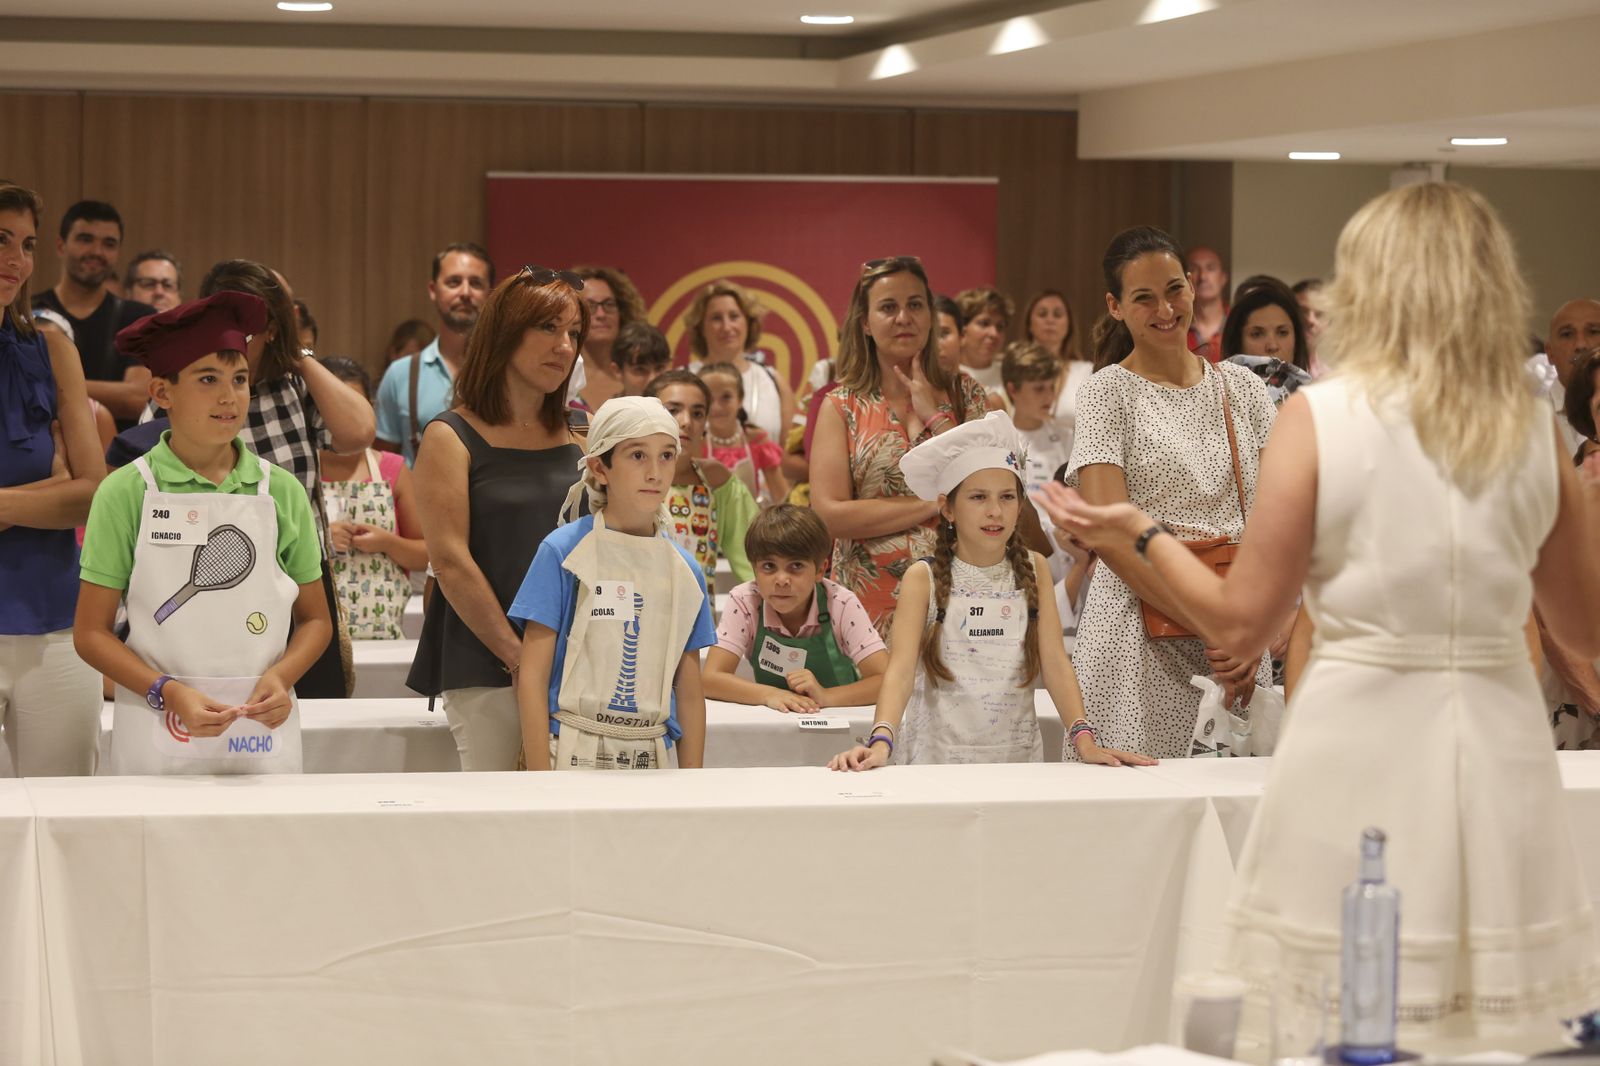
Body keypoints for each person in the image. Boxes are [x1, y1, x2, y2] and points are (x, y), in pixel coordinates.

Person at [1039, 182, 1600, 1049]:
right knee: (1486, 1014)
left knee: (1338, 1000)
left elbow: (1237, 620)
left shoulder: (1319, 416)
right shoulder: (1533, 433)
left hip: (1357, 727)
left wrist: (1136, 532)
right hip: (1495, 735)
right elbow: (1587, 638)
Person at [74, 292, 331, 775]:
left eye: (239, 380)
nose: (228, 396)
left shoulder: (281, 491)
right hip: (155, 730)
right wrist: (165, 691)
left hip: (262, 732)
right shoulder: (125, 492)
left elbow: (317, 620)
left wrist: (282, 677)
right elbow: (90, 634)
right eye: (208, 379)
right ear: (162, 392)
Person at [1060, 226, 1278, 760]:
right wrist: (1215, 623)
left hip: (1237, 641)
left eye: (1175, 289)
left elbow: (1280, 523)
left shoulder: (1244, 388)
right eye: (1143, 297)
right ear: (1115, 307)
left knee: (1237, 815)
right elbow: (1112, 537)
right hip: (1136, 637)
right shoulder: (1107, 392)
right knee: (1135, 817)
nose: (1165, 308)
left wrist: (1252, 630)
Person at [829, 412, 1152, 770]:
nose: (995, 511)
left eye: (1007, 497)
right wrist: (880, 741)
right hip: (937, 760)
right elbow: (900, 671)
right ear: (947, 508)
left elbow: (1055, 662)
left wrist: (1084, 740)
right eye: (978, 497)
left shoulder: (1034, 568)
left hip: (1014, 759)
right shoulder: (924, 578)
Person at [407, 266, 587, 771]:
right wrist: (519, 658)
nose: (565, 346)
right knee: (503, 823)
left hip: (582, 660)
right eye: (548, 329)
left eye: (573, 333)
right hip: (488, 661)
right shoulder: (451, 435)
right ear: (505, 333)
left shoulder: (583, 431)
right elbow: (450, 560)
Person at [198, 260, 375, 700]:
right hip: (211, 582)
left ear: (273, 329)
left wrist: (298, 354)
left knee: (316, 714)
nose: (234, 339)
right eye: (222, 323)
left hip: (302, 582)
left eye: (249, 327)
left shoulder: (293, 386)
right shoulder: (187, 387)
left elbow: (358, 433)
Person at [508, 396, 713, 771]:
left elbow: (689, 693)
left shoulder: (684, 570)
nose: (655, 472)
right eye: (638, 456)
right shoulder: (563, 552)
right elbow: (532, 677)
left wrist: (692, 784)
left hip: (650, 755)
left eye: (667, 455)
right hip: (567, 747)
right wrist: (537, 779)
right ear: (600, 467)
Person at [811, 257, 990, 637]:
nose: (903, 317)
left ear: (930, 314)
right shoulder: (841, 406)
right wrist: (932, 506)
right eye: (888, 307)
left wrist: (936, 415)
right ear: (865, 322)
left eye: (915, 304)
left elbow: (989, 494)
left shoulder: (967, 395)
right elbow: (828, 515)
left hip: (962, 600)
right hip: (866, 608)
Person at [0, 182, 106, 777]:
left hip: (59, 620)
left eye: (27, 243)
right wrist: (45, 496)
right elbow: (68, 491)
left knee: (69, 815)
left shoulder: (52, 347)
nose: (16, 260)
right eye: (0, 239)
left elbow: (92, 492)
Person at [703, 504, 889, 712]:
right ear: (754, 569)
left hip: (840, 723)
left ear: (820, 570)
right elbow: (710, 679)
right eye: (769, 566)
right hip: (775, 726)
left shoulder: (841, 604)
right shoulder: (745, 601)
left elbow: (887, 680)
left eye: (796, 566)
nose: (781, 580)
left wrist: (826, 696)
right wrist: (769, 694)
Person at [318, 357, 426, 641]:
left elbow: (426, 553)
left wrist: (388, 543)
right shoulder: (297, 472)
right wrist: (321, 539)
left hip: (385, 636)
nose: (342, 419)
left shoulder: (393, 468)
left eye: (352, 407)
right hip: (313, 644)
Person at [31, 200, 155, 425]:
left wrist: (46, 383)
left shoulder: (139, 318)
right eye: (85, 239)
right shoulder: (26, 312)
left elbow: (137, 399)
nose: (96, 252)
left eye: (108, 243)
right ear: (61, 245)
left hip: (119, 456)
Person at [374, 242, 494, 466]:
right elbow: (384, 464)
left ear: (489, 294)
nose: (465, 292)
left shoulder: (507, 372)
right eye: (454, 282)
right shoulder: (400, 375)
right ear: (433, 290)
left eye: (475, 283)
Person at [643, 369, 757, 585]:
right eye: (673, 410)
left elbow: (754, 558)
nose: (686, 421)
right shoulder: (621, 476)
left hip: (699, 617)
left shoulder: (716, 481)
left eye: (697, 413)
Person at [1002, 341, 1089, 613]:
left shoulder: (1067, 435)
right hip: (1023, 549)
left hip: (1069, 545)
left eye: (1051, 387)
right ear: (1013, 389)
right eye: (1038, 388)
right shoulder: (1004, 439)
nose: (1048, 396)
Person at [684, 280, 794, 444]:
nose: (727, 327)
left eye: (734, 316)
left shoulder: (774, 380)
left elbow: (788, 454)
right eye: (716, 318)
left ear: (749, 323)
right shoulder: (681, 380)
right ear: (700, 327)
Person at [697, 360, 790, 506]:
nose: (716, 407)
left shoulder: (757, 441)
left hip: (750, 526)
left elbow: (782, 499)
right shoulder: (696, 445)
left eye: (726, 397)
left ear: (740, 399)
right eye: (709, 398)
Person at [1220, 275, 1313, 406]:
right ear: (1237, 342)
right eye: (1257, 334)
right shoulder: (1214, 397)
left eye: (1282, 333)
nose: (1272, 346)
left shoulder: (1318, 400)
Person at [568, 265, 646, 415]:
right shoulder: (558, 375)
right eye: (590, 306)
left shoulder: (641, 375)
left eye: (609, 304)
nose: (601, 314)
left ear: (622, 312)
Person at [1022, 289, 1094, 436]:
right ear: (1029, 325)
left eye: (1057, 314)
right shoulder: (1015, 370)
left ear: (1069, 325)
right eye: (1042, 314)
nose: (1050, 320)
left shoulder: (1087, 372)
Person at [1547, 298, 1600, 458]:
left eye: (1593, 331)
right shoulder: (1524, 421)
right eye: (1567, 334)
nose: (1581, 344)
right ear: (1549, 352)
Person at [955, 286, 1011, 407]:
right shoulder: (948, 376)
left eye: (1000, 327)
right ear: (962, 329)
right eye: (984, 323)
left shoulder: (1011, 374)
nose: (994, 333)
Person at [1184, 245, 1229, 362]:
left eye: (1210, 268)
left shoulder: (1239, 322)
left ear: (1223, 278)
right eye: (1194, 269)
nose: (1203, 276)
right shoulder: (1174, 325)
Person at [610, 320, 671, 398]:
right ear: (617, 371)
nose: (652, 379)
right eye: (640, 370)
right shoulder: (611, 410)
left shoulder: (682, 408)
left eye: (659, 368)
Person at [1291, 278, 1325, 375]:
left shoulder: (1329, 379)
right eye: (1302, 311)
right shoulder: (1266, 372)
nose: (1310, 320)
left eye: (1319, 314)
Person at [933, 294, 964, 374]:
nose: (936, 345)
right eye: (929, 336)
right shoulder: (907, 385)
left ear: (961, 337)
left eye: (944, 334)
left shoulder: (973, 386)